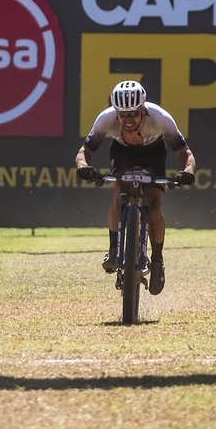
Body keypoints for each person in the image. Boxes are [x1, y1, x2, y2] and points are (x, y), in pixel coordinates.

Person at [74, 80, 196, 296]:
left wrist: (187, 171)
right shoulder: (106, 119)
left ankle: (157, 260)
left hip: (153, 154)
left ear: (143, 110)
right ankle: (114, 249)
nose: (128, 120)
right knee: (120, 194)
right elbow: (84, 151)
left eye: (133, 114)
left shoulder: (161, 118)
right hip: (123, 153)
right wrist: (84, 167)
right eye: (123, 115)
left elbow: (185, 153)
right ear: (116, 113)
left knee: (155, 206)